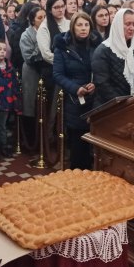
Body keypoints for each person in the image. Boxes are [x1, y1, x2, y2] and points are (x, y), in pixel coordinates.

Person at [53, 12, 100, 170]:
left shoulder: (96, 44)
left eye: (86, 25)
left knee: (92, 142)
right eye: (79, 25)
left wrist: (95, 83)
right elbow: (58, 74)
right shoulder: (63, 46)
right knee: (77, 142)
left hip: (94, 98)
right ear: (72, 27)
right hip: (74, 99)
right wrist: (75, 88)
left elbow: (102, 70)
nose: (83, 28)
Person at [92, 8, 134, 108]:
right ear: (118, 25)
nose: (131, 28)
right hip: (109, 109)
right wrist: (124, 103)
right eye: (128, 24)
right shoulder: (103, 50)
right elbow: (102, 83)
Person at [19, 7, 46, 144]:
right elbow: (29, 58)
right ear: (32, 20)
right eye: (39, 18)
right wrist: (40, 44)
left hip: (46, 72)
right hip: (31, 72)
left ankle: (44, 140)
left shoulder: (48, 32)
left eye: (44, 17)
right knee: (30, 105)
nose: (43, 20)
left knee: (44, 106)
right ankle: (30, 141)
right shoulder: (26, 35)